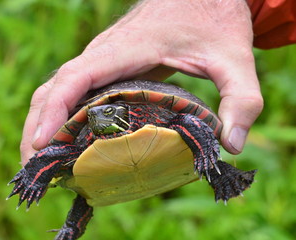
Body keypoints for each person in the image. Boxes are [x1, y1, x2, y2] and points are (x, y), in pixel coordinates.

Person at [20, 0, 296, 165]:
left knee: (190, 127)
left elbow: (189, 122)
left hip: (170, 152)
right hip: (104, 177)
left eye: (108, 112)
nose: (100, 117)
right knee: (56, 160)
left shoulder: (156, 116)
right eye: (98, 116)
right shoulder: (92, 128)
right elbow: (58, 151)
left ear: (126, 114)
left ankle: (219, 172)